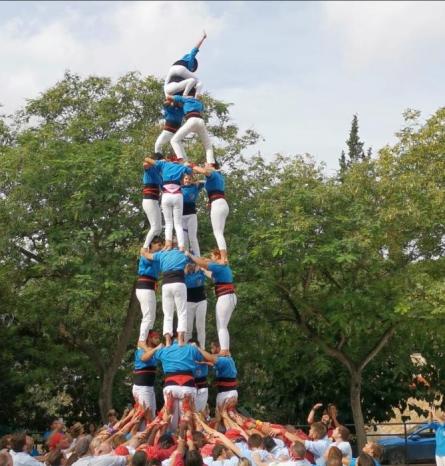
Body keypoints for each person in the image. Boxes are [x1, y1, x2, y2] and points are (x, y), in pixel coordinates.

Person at [143, 156, 198, 251]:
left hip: (166, 196)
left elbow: (147, 159)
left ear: (169, 160)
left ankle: (167, 244)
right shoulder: (182, 167)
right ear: (178, 161)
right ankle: (181, 246)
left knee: (168, 223)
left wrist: (160, 161)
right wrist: (188, 165)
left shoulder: (164, 164)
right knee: (178, 224)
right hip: (177, 195)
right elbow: (191, 173)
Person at [186, 250, 236, 353]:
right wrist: (202, 264)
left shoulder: (219, 266)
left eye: (212, 256)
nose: (210, 257)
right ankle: (225, 350)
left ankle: (224, 350)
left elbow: (204, 265)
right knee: (222, 326)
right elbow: (207, 271)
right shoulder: (220, 267)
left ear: (217, 256)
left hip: (225, 296)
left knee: (222, 326)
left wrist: (190, 255)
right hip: (228, 297)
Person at [141, 244, 189, 346]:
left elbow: (147, 255)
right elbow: (194, 261)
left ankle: (167, 341)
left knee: (167, 314)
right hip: (179, 282)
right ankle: (180, 339)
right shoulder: (182, 253)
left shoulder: (162, 254)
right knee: (182, 312)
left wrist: (144, 249)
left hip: (166, 284)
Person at [155, 339, 203, 431]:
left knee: (170, 415)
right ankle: (188, 434)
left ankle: (168, 415)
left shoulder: (166, 349)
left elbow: (156, 355)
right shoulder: (190, 348)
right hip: (188, 385)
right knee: (188, 413)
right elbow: (201, 357)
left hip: (171, 385)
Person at [167, 90, 215, 165]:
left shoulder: (185, 98)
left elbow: (168, 97)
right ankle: (211, 163)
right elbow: (201, 108)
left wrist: (179, 98)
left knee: (174, 140)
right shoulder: (199, 103)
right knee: (208, 145)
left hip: (191, 120)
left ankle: (181, 159)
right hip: (201, 121)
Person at [192, 164, 229, 262]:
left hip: (217, 204)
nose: (205, 166)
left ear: (213, 166)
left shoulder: (213, 173)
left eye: (206, 164)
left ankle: (224, 258)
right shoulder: (219, 177)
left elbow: (204, 172)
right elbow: (205, 182)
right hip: (222, 203)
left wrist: (191, 165)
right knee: (220, 233)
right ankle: (223, 257)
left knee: (217, 233)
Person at [136, 237, 163, 347]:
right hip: (144, 286)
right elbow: (149, 259)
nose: (160, 247)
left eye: (161, 245)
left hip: (150, 287)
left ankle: (148, 340)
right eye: (159, 244)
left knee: (152, 317)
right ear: (152, 244)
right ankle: (142, 340)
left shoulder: (157, 257)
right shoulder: (146, 254)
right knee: (148, 315)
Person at [194, 341, 238, 408]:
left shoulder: (223, 360)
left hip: (226, 394)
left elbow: (210, 358)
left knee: (222, 417)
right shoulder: (228, 359)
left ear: (218, 348)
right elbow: (212, 362)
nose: (211, 350)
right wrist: (205, 363)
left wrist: (197, 348)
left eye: (212, 348)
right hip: (230, 392)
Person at [164, 32, 207, 98]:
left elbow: (165, 84)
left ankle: (183, 94)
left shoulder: (182, 59)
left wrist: (167, 97)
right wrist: (203, 38)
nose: (191, 70)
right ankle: (195, 97)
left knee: (168, 84)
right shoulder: (190, 59)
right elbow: (194, 50)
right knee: (198, 81)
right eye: (192, 69)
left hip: (172, 69)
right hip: (181, 69)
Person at [132, 331, 164, 418]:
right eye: (156, 338)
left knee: (152, 414)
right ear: (149, 338)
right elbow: (144, 358)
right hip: (142, 387)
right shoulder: (140, 350)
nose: (158, 340)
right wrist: (156, 348)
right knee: (146, 414)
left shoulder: (153, 351)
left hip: (149, 387)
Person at [141, 158, 163, 250]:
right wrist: (156, 162)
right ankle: (145, 248)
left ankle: (154, 247)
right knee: (154, 226)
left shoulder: (160, 175)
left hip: (155, 201)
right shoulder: (150, 169)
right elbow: (145, 164)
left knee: (159, 228)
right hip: (148, 200)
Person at [181, 175, 204, 256]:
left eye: (189, 179)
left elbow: (203, 182)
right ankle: (186, 257)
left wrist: (194, 181)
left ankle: (198, 257)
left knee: (192, 238)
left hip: (191, 215)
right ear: (183, 179)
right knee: (184, 240)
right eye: (186, 178)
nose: (187, 180)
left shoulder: (195, 187)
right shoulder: (179, 188)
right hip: (181, 216)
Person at [185, 263, 207, 347]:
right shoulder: (184, 274)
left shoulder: (201, 271)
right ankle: (187, 348)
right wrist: (186, 269)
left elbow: (207, 267)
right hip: (188, 302)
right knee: (187, 327)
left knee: (200, 326)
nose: (191, 266)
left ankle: (202, 348)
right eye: (190, 264)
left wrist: (200, 266)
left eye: (193, 264)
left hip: (201, 301)